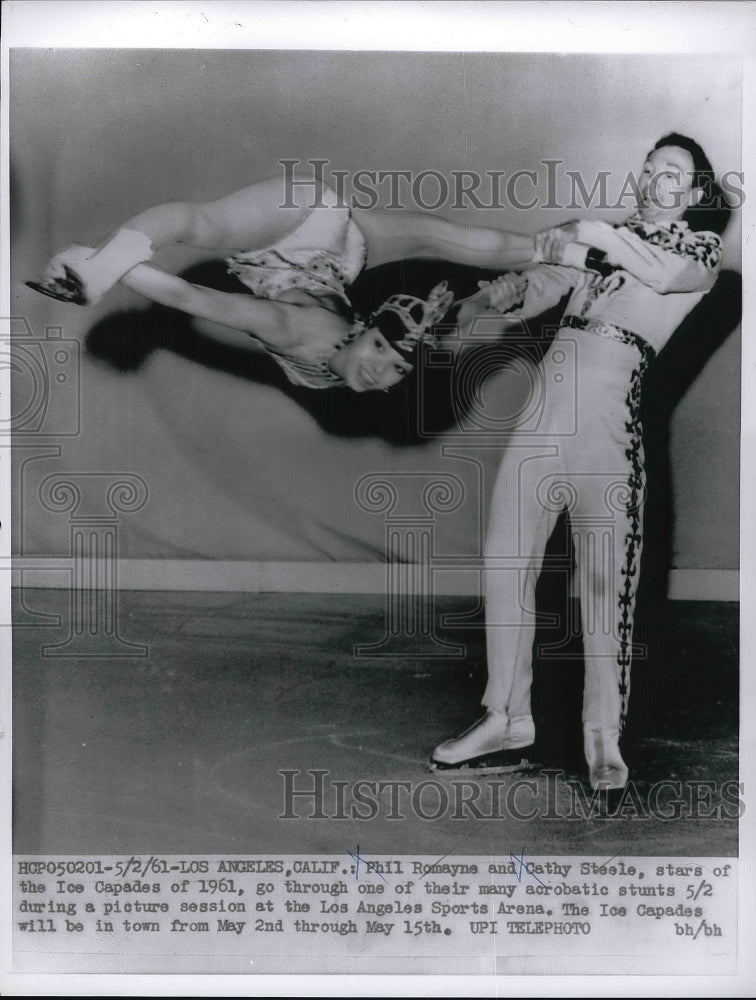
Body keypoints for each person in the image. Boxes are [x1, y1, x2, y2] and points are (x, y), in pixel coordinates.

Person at [429, 133, 724, 791]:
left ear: (698, 194)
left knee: (601, 581)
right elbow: (540, 286)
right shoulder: (602, 242)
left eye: (672, 172)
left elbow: (662, 273)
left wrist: (583, 232)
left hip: (608, 432)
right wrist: (491, 297)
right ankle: (505, 715)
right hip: (543, 412)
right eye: (650, 167)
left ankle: (602, 734)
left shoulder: (699, 254)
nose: (654, 177)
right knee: (505, 558)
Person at [28, 175, 539, 392]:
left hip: (344, 251)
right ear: (361, 329)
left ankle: (562, 250)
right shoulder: (295, 330)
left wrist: (480, 304)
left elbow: (195, 298)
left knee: (442, 237)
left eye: (394, 368)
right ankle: (98, 264)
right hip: (302, 226)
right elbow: (191, 297)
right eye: (384, 352)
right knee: (198, 225)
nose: (381, 371)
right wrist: (485, 304)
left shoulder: (315, 340)